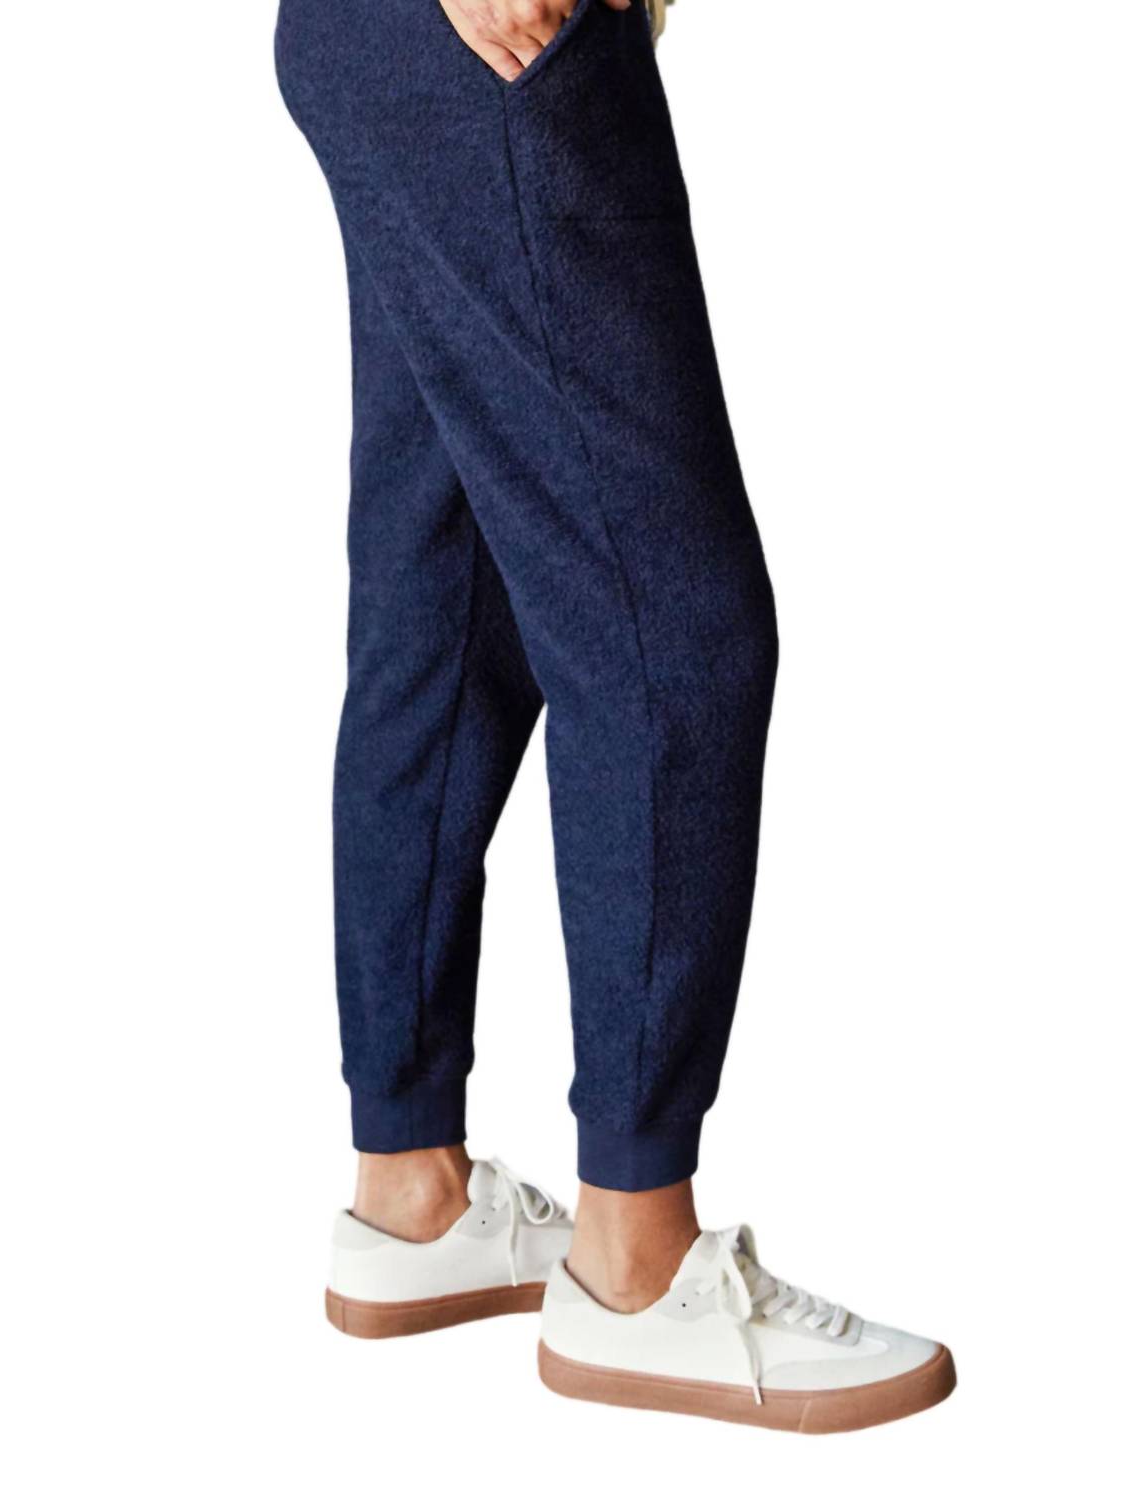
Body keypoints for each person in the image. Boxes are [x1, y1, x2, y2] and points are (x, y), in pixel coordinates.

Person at [276, 0, 954, 1432]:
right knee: (672, 635)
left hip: (381, 41)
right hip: (497, 47)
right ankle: (636, 1267)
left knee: (446, 607)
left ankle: (411, 1188)